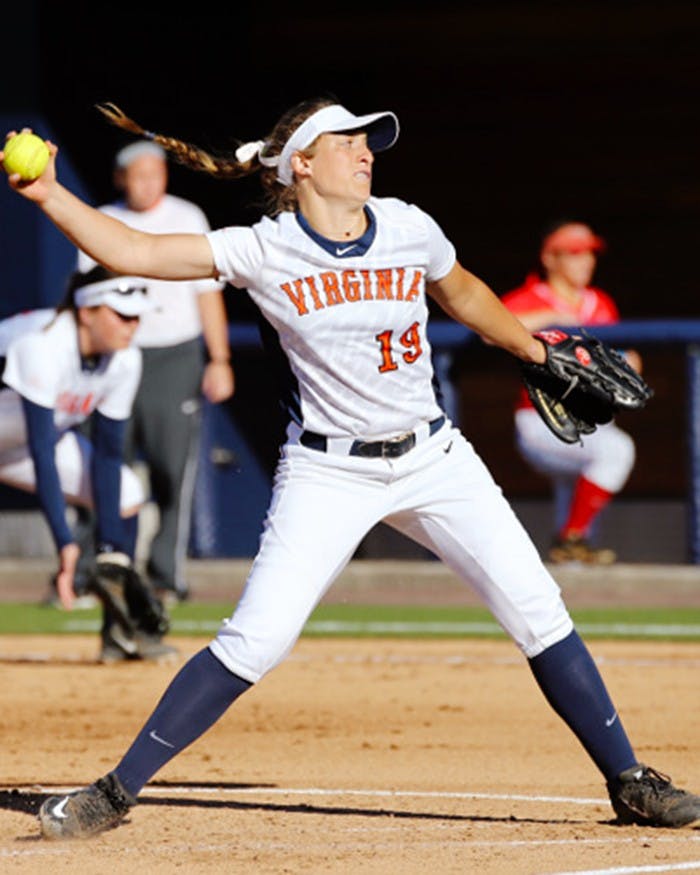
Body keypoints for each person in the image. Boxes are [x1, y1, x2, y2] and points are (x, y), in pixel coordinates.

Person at [2, 101, 698, 839]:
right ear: (301, 163)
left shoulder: (407, 225)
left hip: (433, 456)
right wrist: (48, 192)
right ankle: (115, 790)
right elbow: (133, 252)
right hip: (328, 471)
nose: (367, 152)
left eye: (370, 142)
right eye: (348, 142)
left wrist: (533, 352)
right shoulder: (263, 248)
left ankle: (629, 779)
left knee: (538, 609)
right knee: (255, 640)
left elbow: (458, 290)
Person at [76, 139, 235, 604]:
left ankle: (165, 576)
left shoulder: (188, 217)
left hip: (174, 356)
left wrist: (220, 359)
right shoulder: (102, 218)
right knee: (102, 465)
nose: (148, 183)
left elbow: (209, 294)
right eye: (139, 174)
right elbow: (84, 299)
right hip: (116, 358)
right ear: (121, 177)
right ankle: (92, 572)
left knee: (171, 468)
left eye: (156, 173)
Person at [0, 266, 176, 662]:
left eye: (136, 316)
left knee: (129, 493)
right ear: (86, 311)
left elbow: (110, 454)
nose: (131, 326)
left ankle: (120, 634)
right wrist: (65, 543)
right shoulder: (42, 344)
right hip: (34, 442)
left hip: (21, 446)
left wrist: (110, 550)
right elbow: (44, 451)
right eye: (121, 314)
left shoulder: (124, 360)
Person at [501, 221, 640, 565]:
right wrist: (551, 317)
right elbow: (490, 330)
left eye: (589, 254)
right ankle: (570, 538)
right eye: (575, 254)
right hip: (542, 420)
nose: (585, 262)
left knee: (578, 499)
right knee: (616, 451)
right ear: (550, 257)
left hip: (589, 417)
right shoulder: (531, 297)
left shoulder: (600, 303)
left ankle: (571, 552)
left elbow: (624, 359)